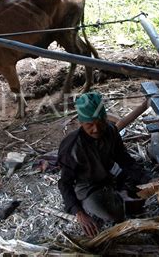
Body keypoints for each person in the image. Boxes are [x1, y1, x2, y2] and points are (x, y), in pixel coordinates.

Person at [57, 92, 151, 237]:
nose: (96, 129)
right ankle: (117, 198)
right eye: (90, 124)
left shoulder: (111, 131)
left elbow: (123, 159)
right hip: (88, 186)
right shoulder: (72, 147)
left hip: (110, 176)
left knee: (141, 178)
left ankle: (122, 193)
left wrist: (148, 180)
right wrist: (78, 212)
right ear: (81, 123)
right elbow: (65, 183)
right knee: (111, 214)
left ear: (105, 119)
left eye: (100, 122)